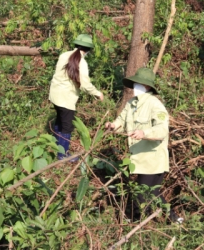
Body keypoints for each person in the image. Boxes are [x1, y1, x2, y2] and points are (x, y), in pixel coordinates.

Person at [105, 67, 182, 224]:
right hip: (139, 158)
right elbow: (121, 120)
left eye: (138, 84)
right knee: (152, 192)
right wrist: (112, 126)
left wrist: (144, 133)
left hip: (152, 158)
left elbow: (162, 130)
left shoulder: (155, 105)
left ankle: (138, 222)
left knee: (143, 193)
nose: (135, 87)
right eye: (134, 83)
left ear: (147, 86)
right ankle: (172, 219)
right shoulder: (131, 103)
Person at [49, 34, 104, 159]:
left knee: (60, 121)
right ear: (88, 50)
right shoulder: (82, 63)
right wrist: (97, 93)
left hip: (55, 95)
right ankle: (62, 155)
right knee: (67, 127)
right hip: (66, 98)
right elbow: (85, 85)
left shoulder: (64, 55)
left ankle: (56, 148)